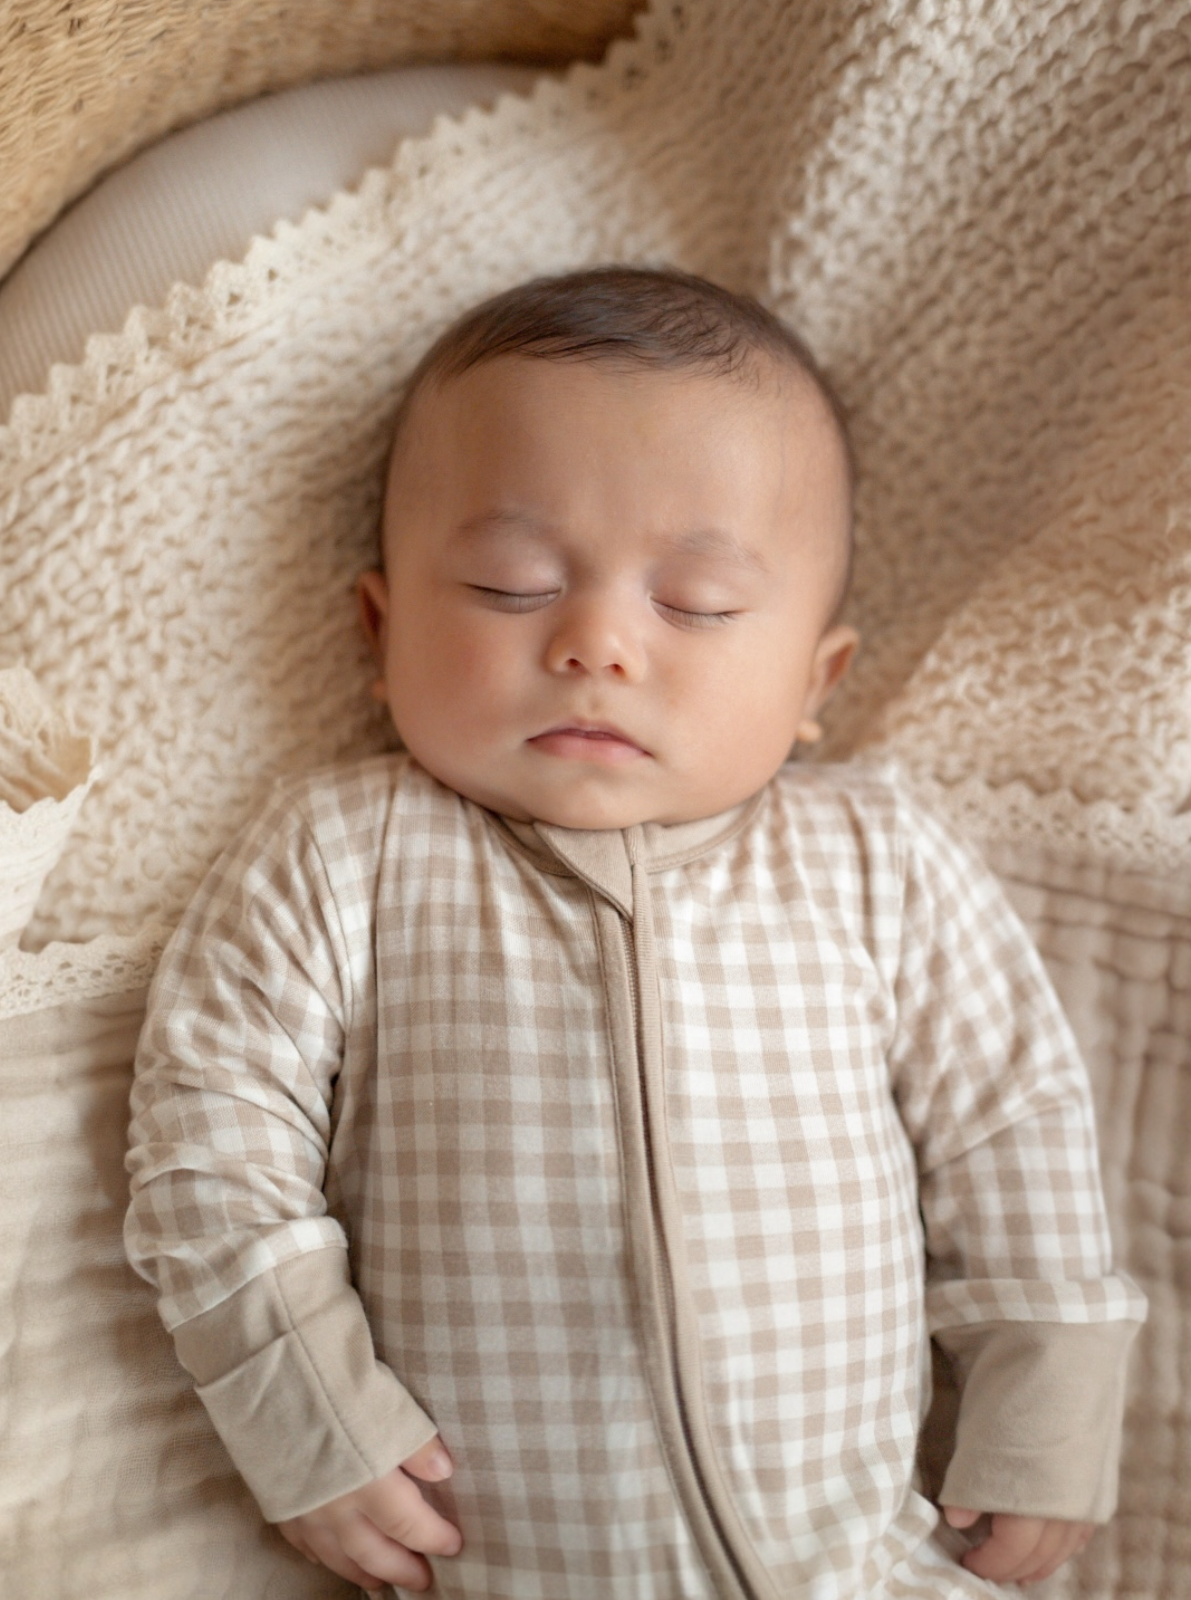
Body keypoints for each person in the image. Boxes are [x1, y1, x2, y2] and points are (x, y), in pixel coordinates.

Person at [125, 266, 1144, 1600]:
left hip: (864, 1562)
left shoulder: (871, 858)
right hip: (477, 1561)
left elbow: (1007, 1122)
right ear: (380, 633)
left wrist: (1047, 1398)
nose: (597, 640)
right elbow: (210, 1126)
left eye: (701, 604)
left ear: (812, 683)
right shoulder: (343, 851)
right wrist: (302, 1407)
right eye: (506, 584)